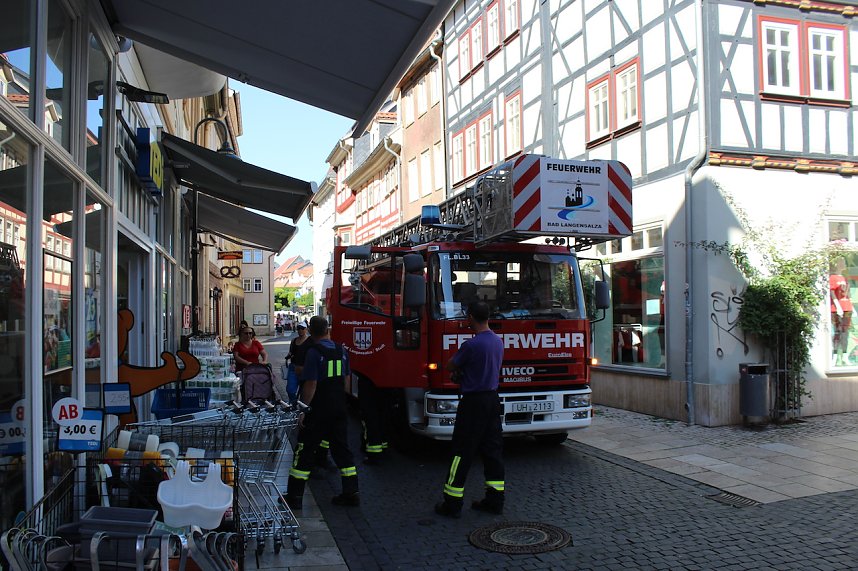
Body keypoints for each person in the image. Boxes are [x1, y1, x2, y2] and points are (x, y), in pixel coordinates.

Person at [435, 301, 505, 518]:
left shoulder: (471, 345)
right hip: (492, 401)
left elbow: (450, 366)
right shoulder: (497, 341)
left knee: (461, 452)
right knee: (492, 451)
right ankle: (495, 501)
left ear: (471, 318)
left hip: (473, 402)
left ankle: (452, 503)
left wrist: (462, 372)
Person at [286, 316, 360, 508]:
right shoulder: (341, 350)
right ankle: (351, 493)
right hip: (338, 407)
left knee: (305, 449)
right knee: (342, 450)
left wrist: (303, 409)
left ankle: (295, 497)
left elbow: (311, 384)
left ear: (310, 331)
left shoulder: (313, 352)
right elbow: (347, 380)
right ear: (328, 330)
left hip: (318, 409)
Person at [830, 257, 853, 366]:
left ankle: (844, 356)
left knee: (845, 333)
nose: (844, 264)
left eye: (845, 261)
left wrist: (851, 307)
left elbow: (848, 294)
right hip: (837, 309)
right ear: (837, 264)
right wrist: (838, 306)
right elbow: (832, 293)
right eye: (842, 262)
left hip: (847, 307)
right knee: (837, 332)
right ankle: (834, 356)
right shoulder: (833, 278)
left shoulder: (845, 277)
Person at [285, 320, 311, 402]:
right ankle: (293, 404)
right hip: (294, 368)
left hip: (305, 369)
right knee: (290, 390)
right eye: (298, 328)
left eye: (302, 328)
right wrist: (288, 356)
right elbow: (290, 352)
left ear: (306, 329)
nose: (300, 330)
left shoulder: (310, 341)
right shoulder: (293, 340)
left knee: (304, 391)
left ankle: (302, 408)